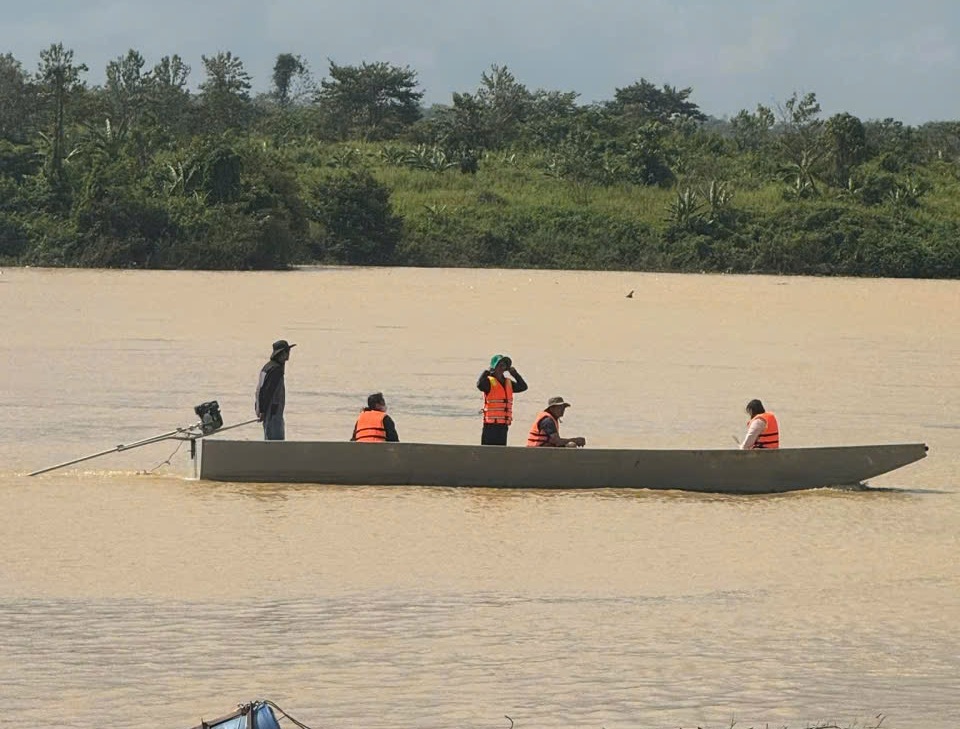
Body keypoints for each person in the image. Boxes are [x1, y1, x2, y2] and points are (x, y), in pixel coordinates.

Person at [477, 354, 528, 445]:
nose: (501, 368)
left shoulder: (508, 382)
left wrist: (515, 374)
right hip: (490, 425)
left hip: (503, 425)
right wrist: (487, 372)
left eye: (504, 365)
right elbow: (479, 385)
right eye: (499, 365)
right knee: (487, 452)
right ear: (494, 367)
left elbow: (523, 387)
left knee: (500, 451)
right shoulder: (488, 382)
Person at [255, 339, 295, 441]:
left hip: (269, 411)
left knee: (269, 440)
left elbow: (259, 390)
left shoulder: (268, 367)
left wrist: (258, 408)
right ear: (282, 353)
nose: (289, 354)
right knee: (276, 441)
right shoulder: (276, 370)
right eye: (287, 351)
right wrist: (263, 411)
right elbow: (267, 391)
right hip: (273, 412)